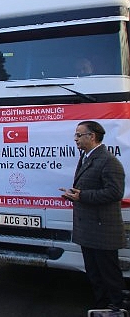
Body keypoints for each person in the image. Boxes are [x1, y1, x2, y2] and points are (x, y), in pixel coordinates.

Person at [60, 121, 127, 310]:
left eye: (79, 135)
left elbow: (115, 192)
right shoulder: (87, 158)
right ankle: (101, 306)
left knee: (108, 274)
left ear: (92, 136)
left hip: (102, 230)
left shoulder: (108, 161)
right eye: (76, 135)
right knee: (94, 274)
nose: (76, 139)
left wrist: (82, 196)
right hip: (88, 229)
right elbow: (90, 187)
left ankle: (115, 307)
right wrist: (73, 195)